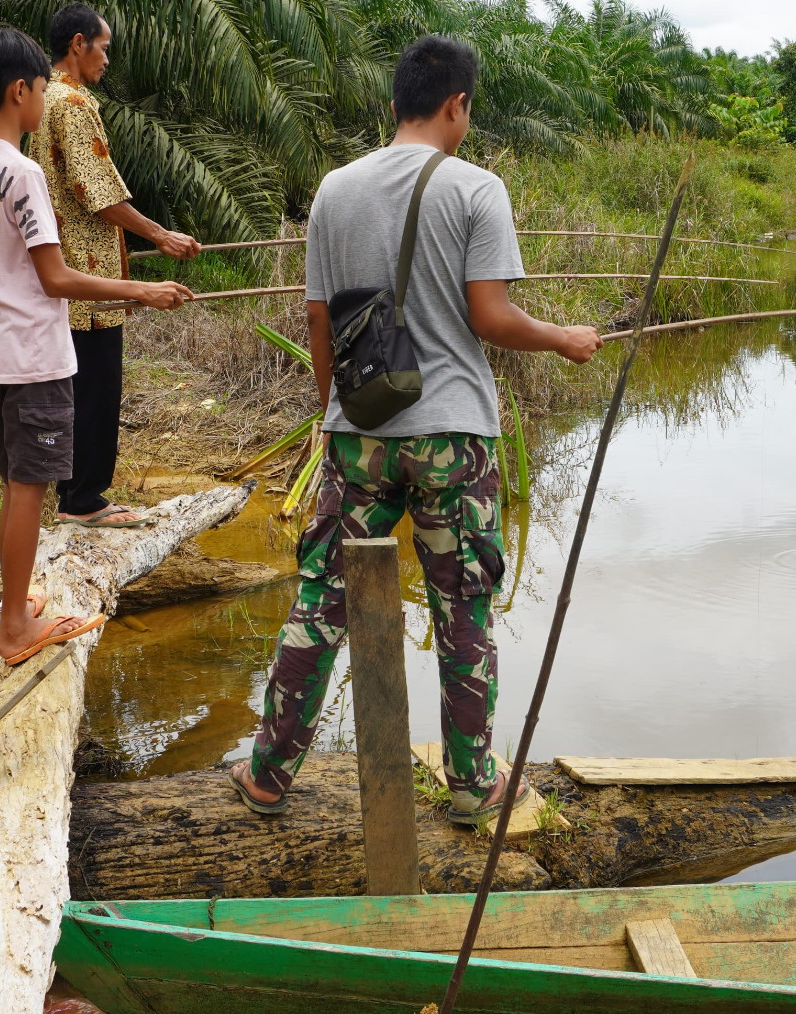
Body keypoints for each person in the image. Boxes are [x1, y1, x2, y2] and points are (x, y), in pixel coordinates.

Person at [229, 35, 603, 824]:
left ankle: (267, 776)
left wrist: (336, 417)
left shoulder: (334, 189)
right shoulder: (477, 189)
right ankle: (471, 787)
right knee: (462, 608)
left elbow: (319, 321)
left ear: (394, 101)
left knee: (319, 602)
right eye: (469, 108)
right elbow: (491, 318)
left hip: (357, 434)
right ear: (456, 104)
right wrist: (565, 337)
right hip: (451, 440)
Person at [0, 25, 192, 665]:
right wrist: (137, 290)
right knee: (31, 487)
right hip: (34, 354)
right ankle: (14, 630)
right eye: (38, 88)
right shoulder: (21, 169)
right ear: (18, 90)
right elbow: (55, 277)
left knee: (16, 484)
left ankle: (16, 598)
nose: (45, 96)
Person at [28, 2, 201, 530]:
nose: (107, 58)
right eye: (103, 47)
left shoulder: (43, 98)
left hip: (63, 267)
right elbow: (96, 190)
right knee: (97, 387)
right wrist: (161, 235)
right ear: (78, 44)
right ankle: (85, 501)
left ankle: (71, 494)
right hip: (88, 280)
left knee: (75, 385)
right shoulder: (74, 101)